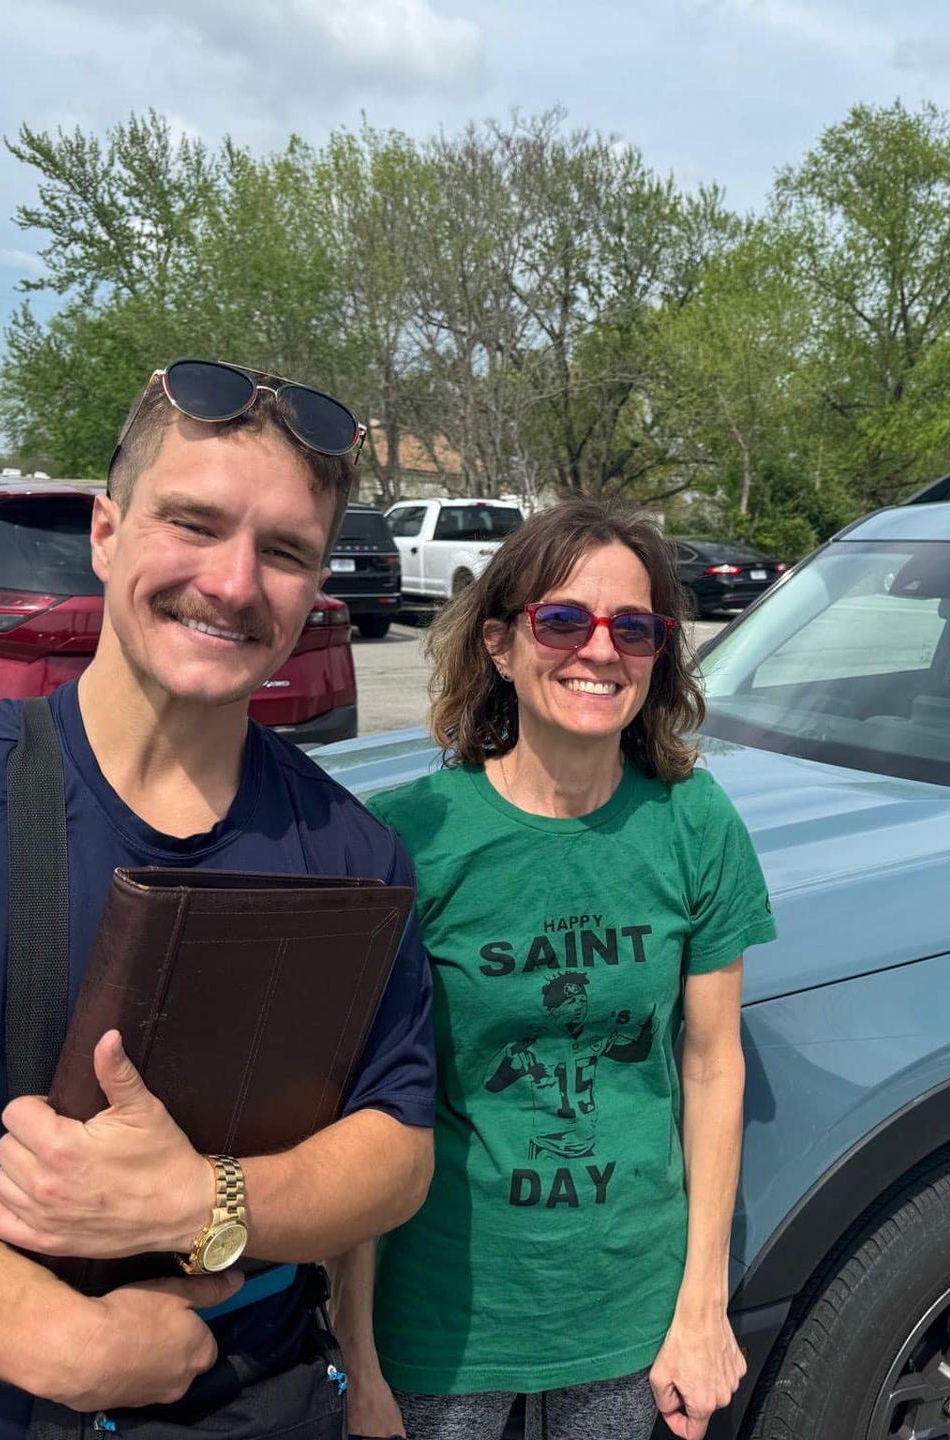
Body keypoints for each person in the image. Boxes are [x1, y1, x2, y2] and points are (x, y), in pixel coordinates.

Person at [0, 358, 436, 1437]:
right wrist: (53, 1337)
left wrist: (206, 1201)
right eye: (194, 524)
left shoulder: (353, 856)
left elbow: (394, 1148)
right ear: (105, 533)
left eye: (285, 551)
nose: (235, 583)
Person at [336, 499, 776, 1440]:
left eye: (635, 627)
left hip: (625, 1298)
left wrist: (703, 1305)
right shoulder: (414, 838)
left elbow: (711, 1066)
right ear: (500, 644)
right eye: (564, 620)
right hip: (446, 1308)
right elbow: (367, 1103)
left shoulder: (696, 825)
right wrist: (358, 1354)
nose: (600, 651)